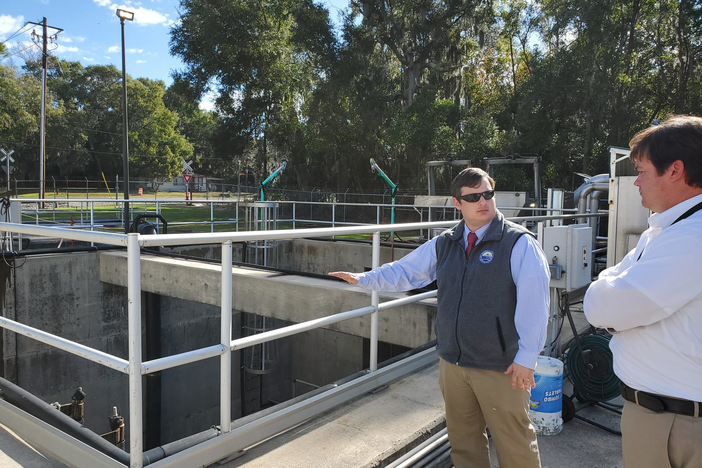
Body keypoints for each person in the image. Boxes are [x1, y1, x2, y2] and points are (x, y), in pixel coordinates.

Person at [329, 167, 549, 468]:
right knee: (463, 441)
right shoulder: (445, 243)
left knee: (515, 444)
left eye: (488, 194)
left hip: (502, 367)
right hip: (453, 363)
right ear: (457, 203)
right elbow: (406, 272)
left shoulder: (520, 244)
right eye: (473, 197)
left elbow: (535, 304)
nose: (483, 201)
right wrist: (363, 279)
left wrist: (527, 358)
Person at [583, 115, 702, 468]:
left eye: (643, 171)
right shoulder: (668, 228)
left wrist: (612, 299)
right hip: (662, 414)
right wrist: (617, 299)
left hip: (677, 425)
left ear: (675, 170)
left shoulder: (691, 238)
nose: (635, 182)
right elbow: (615, 291)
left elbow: (601, 306)